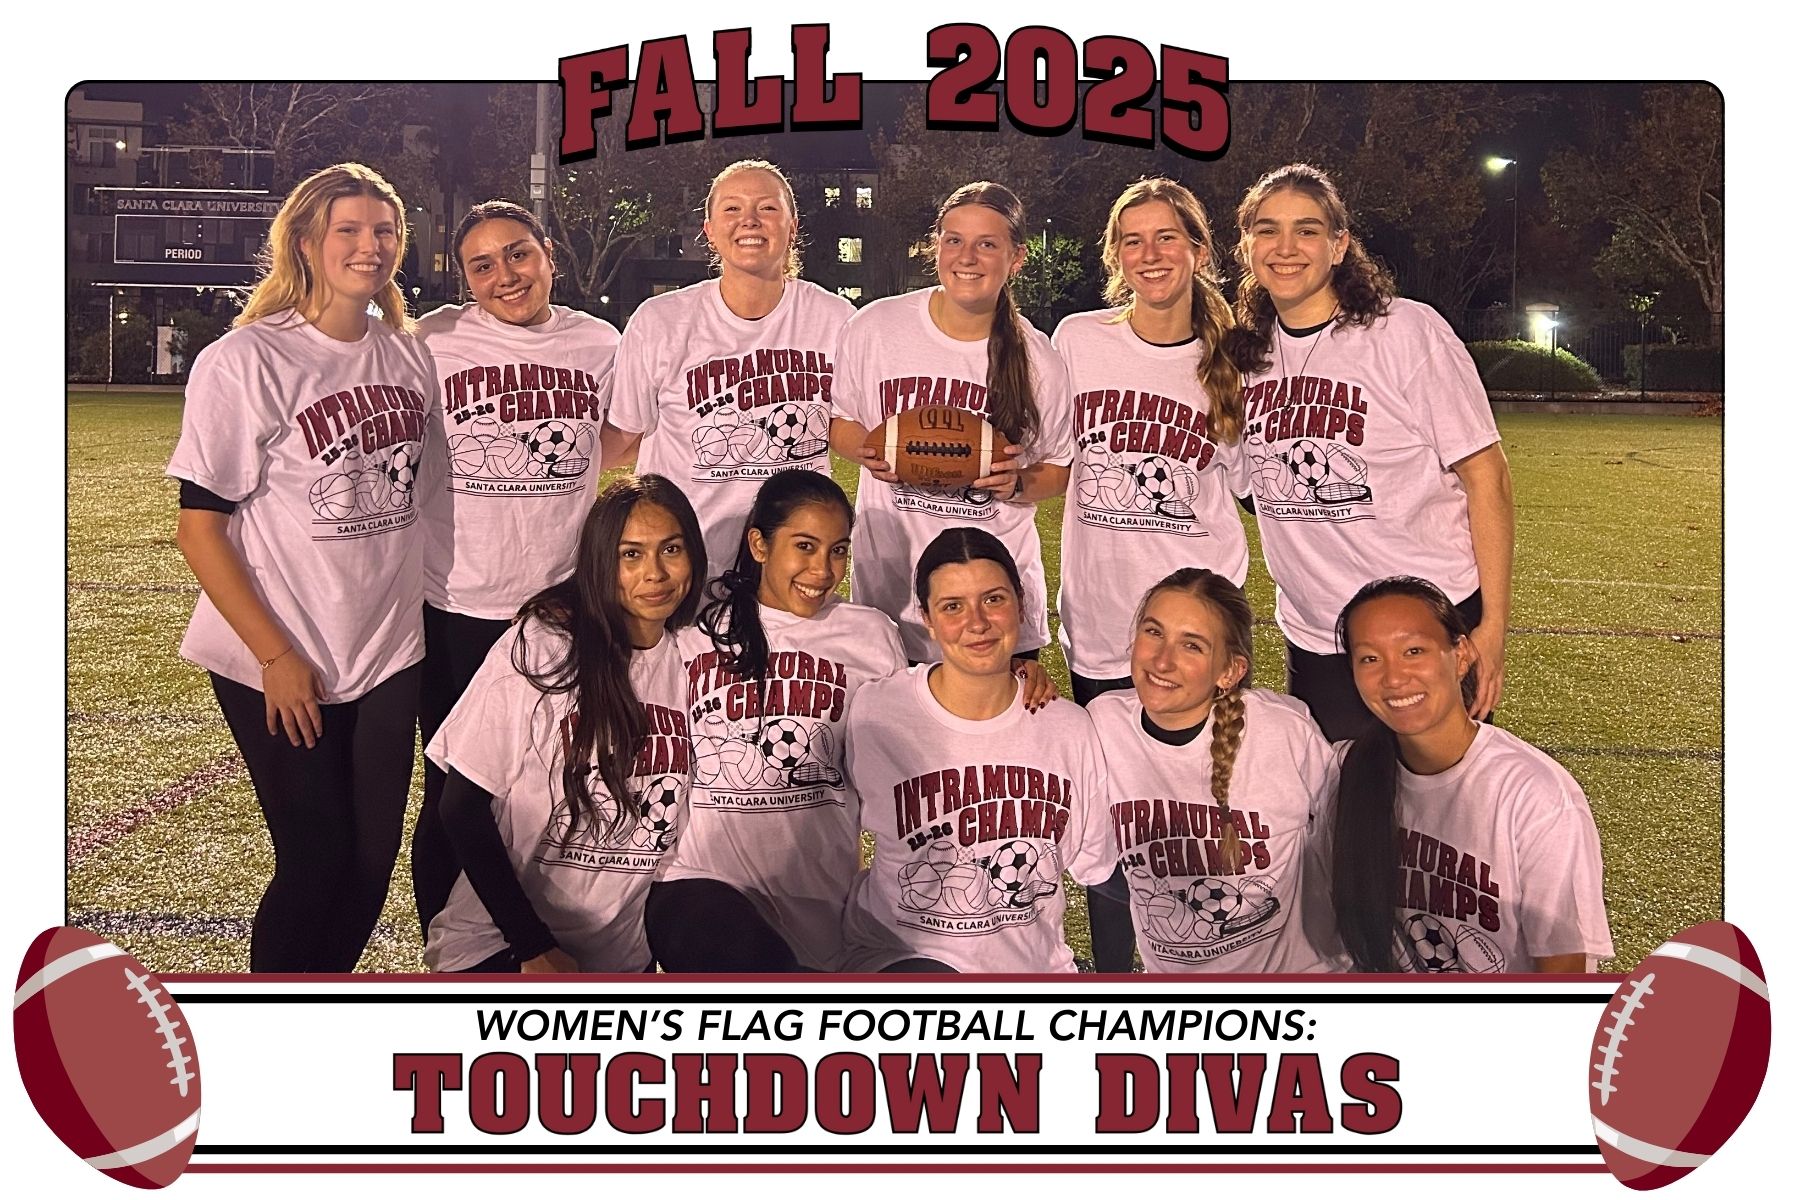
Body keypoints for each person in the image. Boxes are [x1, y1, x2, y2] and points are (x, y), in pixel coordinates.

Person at [167, 162, 434, 972]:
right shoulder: (246, 359)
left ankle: (324, 1006)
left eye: (383, 230)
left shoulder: (407, 355)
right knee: (314, 858)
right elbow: (199, 528)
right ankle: (273, 1024)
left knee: (368, 863)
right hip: (280, 651)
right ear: (307, 243)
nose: (370, 246)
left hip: (386, 645)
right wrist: (275, 656)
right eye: (348, 230)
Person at [1229, 163, 1515, 740]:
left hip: (1424, 624)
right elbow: (1253, 493)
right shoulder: (1244, 355)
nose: (1286, 248)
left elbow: (1488, 477)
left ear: (1339, 246)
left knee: (1442, 815)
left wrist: (1491, 629)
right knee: (1345, 811)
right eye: (1267, 230)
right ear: (1247, 245)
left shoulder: (1405, 331)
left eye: (1307, 230)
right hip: (1317, 635)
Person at [1052, 177, 1249, 971]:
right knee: (1114, 820)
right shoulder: (1077, 340)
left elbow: (1255, 486)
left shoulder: (1235, 361)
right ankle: (1113, 976)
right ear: (1114, 256)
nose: (1150, 254)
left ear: (1199, 251)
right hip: (1102, 624)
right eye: (1131, 240)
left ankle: (1206, 968)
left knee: (1202, 813)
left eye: (1166, 237)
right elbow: (1044, 452)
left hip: (1198, 624)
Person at [410, 200, 621, 938]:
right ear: (463, 278)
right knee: (452, 795)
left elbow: (618, 444)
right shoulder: (430, 340)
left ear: (548, 256)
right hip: (459, 608)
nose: (506, 274)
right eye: (483, 264)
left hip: (564, 610)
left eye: (519, 253)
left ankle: (539, 941)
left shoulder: (599, 343)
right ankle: (447, 950)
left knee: (552, 790)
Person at [424, 476, 703, 973]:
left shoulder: (693, 657)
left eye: (672, 549)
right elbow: (461, 807)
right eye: (630, 555)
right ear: (600, 561)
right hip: (506, 945)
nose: (655, 573)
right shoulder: (546, 645)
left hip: (620, 959)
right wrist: (532, 948)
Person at [647, 470, 907, 972]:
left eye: (837, 550)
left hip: (821, 896)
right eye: (805, 546)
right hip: (701, 887)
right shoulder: (697, 629)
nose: (823, 570)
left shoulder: (870, 636)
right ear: (759, 545)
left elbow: (911, 744)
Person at [840, 529, 1112, 974]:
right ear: (925, 617)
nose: (977, 623)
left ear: (1021, 604)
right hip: (897, 959)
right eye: (952, 607)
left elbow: (1095, 864)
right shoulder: (876, 711)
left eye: (993, 599)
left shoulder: (1068, 729)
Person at [829, 181, 1074, 664]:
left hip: (994, 603)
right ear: (935, 245)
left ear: (1016, 257)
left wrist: (1017, 482)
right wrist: (873, 451)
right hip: (891, 593)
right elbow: (840, 423)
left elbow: (1059, 469)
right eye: (954, 240)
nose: (967, 256)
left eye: (988, 244)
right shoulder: (876, 327)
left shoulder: (1039, 359)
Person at [1319, 577, 1612, 974]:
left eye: (1413, 651)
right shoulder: (1348, 771)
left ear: (1460, 657)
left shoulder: (1536, 795)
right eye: (1370, 658)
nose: (1393, 678)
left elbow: (1563, 972)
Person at [602, 159, 854, 577]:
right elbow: (624, 437)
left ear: (792, 227)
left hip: (791, 565)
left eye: (768, 208)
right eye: (732, 209)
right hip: (686, 561)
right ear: (710, 231)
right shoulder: (660, 321)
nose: (749, 221)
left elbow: (853, 430)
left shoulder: (836, 319)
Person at [1085, 570, 1334, 972]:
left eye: (1192, 646)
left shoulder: (1282, 731)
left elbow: (1348, 844)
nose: (1163, 660)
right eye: (1154, 632)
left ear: (1229, 672)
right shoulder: (1103, 724)